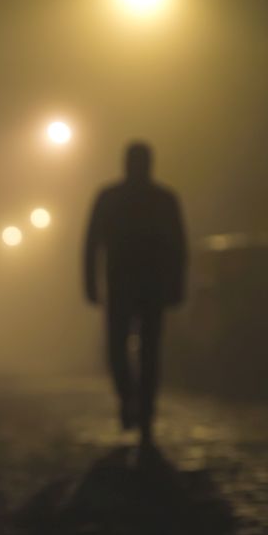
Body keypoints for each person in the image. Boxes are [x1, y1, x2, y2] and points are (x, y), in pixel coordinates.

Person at [84, 142, 186, 447]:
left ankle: (139, 408)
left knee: (134, 350)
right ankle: (136, 405)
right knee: (141, 351)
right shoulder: (161, 199)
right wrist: (176, 285)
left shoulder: (113, 198)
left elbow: (92, 245)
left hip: (129, 285)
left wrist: (90, 283)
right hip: (141, 286)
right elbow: (178, 248)